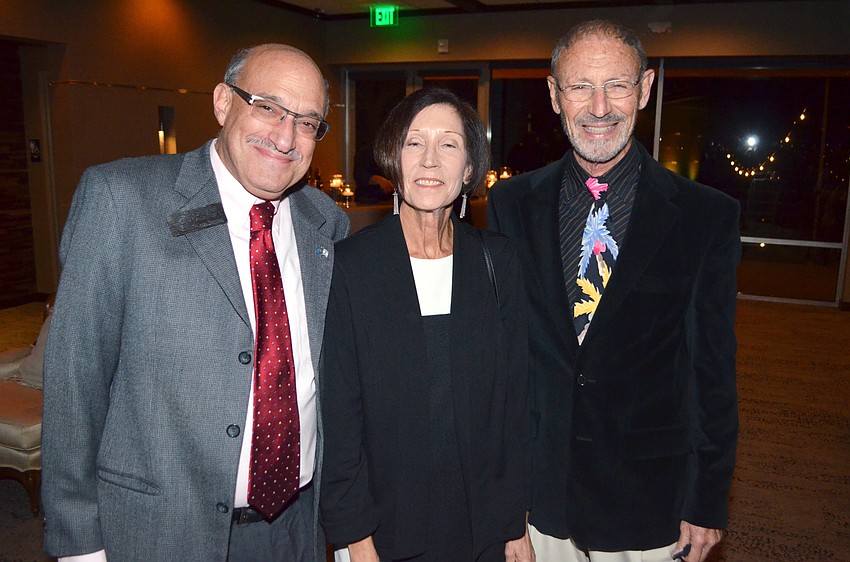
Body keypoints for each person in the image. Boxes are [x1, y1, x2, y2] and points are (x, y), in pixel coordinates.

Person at [41, 44, 350, 561]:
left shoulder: (324, 222)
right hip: (161, 530)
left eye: (306, 122)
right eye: (268, 107)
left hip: (296, 526)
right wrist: (79, 545)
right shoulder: (122, 200)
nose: (285, 137)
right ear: (223, 102)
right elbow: (75, 378)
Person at [487, 20, 740, 562]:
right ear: (554, 95)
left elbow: (713, 373)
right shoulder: (511, 204)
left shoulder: (705, 217)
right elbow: (505, 363)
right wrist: (505, 500)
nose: (599, 107)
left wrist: (706, 499)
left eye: (617, 85)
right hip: (540, 499)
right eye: (580, 86)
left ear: (645, 88)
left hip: (648, 501)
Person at [320, 87, 532, 562]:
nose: (430, 160)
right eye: (414, 142)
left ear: (470, 169)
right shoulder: (352, 266)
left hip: (482, 527)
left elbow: (514, 405)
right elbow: (339, 414)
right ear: (393, 159)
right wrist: (356, 537)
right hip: (385, 532)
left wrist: (514, 521)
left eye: (449, 144)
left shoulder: (496, 261)